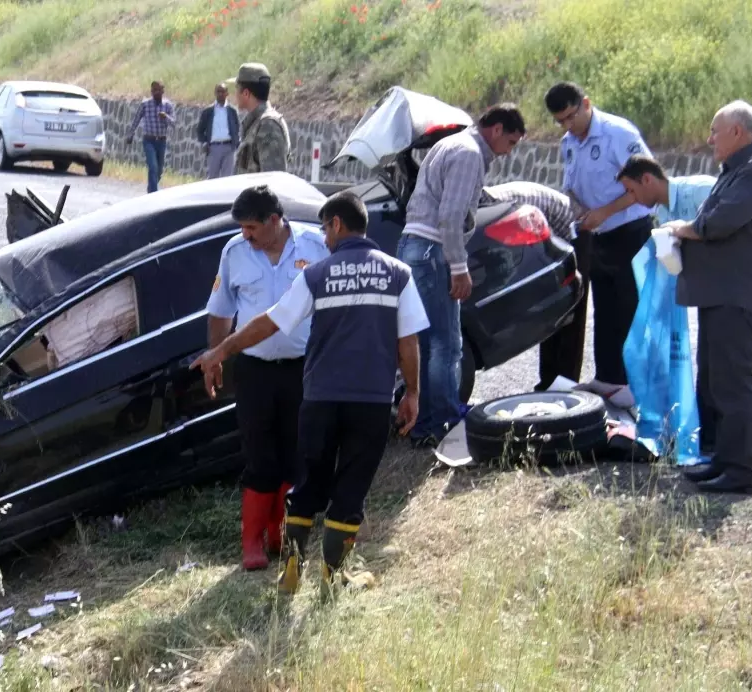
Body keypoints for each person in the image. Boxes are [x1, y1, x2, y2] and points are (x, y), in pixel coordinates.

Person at [192, 191, 428, 598]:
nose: (324, 235)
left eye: (326, 227)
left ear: (336, 225)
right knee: (349, 487)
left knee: (306, 483)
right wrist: (413, 392)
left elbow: (270, 321)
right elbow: (408, 344)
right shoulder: (398, 273)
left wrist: (221, 350)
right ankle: (333, 578)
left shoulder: (316, 274)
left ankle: (291, 569)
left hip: (317, 393)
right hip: (369, 398)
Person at [617, 154, 752, 462]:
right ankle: (713, 441)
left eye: (632, 191)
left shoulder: (701, 189)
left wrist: (685, 232)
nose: (632, 200)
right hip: (722, 280)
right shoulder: (662, 213)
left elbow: (728, 225)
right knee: (713, 357)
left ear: (647, 179)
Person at [660, 101, 752, 495]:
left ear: (737, 132)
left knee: (736, 384)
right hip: (721, 296)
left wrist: (683, 228)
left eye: (716, 131)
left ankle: (742, 471)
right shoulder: (737, 171)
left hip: (739, 295)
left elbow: (716, 222)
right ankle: (724, 460)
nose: (709, 139)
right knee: (717, 381)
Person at [204, 185, 330, 571]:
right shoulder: (234, 252)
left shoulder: (315, 247)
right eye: (242, 228)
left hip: (302, 369)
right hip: (254, 370)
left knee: (297, 455)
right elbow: (221, 310)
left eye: (252, 227)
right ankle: (252, 543)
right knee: (260, 455)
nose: (246, 235)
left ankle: (282, 536)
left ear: (275, 221)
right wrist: (216, 358)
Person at [398, 104, 526, 448]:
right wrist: (458, 267)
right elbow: (451, 218)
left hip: (415, 246)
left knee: (426, 342)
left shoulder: (452, 144)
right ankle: (444, 420)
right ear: (496, 129)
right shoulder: (469, 153)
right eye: (511, 142)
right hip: (433, 250)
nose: (508, 152)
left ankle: (426, 423)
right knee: (447, 342)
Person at [545, 81, 656, 408]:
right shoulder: (569, 143)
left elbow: (647, 183)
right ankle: (608, 377)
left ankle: (635, 384)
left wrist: (604, 211)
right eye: (559, 122)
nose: (567, 127)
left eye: (570, 118)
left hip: (630, 229)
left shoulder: (617, 134)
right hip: (596, 234)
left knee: (629, 307)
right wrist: (580, 212)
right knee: (604, 308)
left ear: (586, 104)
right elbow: (571, 187)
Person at [479, 181, 585, 390]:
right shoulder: (486, 201)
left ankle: (566, 384)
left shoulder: (497, 206)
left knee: (571, 311)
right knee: (551, 311)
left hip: (572, 230)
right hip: (548, 228)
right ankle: (548, 380)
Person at [230, 63, 290, 174]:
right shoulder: (257, 123)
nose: (235, 94)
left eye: (236, 89)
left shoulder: (268, 125)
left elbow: (273, 180)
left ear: (246, 93)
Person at [126, 81, 176, 193]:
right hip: (149, 141)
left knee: (159, 171)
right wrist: (130, 134)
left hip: (162, 141)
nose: (156, 93)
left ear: (163, 91)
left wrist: (166, 117)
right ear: (151, 91)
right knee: (153, 167)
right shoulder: (145, 104)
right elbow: (136, 119)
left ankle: (151, 188)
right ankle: (153, 194)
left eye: (158, 90)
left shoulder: (168, 105)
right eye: (154, 90)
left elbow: (174, 123)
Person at [196, 83, 240, 179]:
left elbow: (237, 128)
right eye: (218, 92)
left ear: (227, 93)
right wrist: (204, 143)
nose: (220, 94)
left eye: (223, 91)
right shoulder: (208, 111)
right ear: (215, 93)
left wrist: (236, 143)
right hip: (214, 148)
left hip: (229, 148)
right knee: (213, 178)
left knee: (227, 178)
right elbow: (200, 130)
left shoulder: (232, 111)